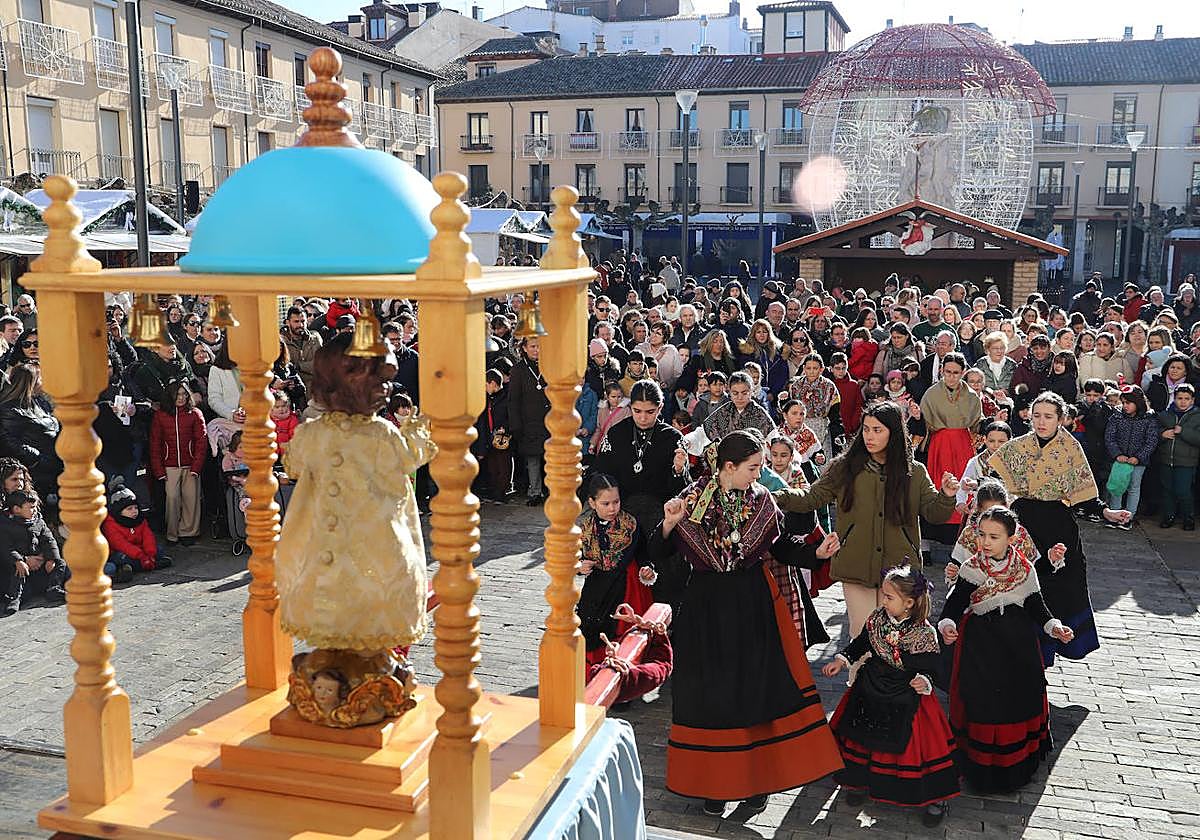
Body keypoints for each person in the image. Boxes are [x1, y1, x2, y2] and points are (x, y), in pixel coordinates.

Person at [654, 430, 843, 815]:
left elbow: (779, 545)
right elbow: (658, 552)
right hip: (705, 607)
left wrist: (815, 552)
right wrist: (669, 525)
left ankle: (758, 781)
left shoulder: (761, 499)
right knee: (710, 695)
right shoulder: (691, 500)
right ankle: (715, 785)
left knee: (755, 692)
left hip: (751, 604)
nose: (758, 475)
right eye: (753, 468)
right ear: (728, 466)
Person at [775, 401, 959, 637]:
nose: (869, 436)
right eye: (866, 429)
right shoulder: (844, 467)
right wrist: (777, 496)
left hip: (900, 570)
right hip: (855, 565)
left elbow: (936, 513)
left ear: (893, 433)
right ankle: (857, 676)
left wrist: (946, 496)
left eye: (877, 430)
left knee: (896, 639)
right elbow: (812, 497)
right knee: (861, 638)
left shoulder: (914, 472)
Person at [986, 392, 1130, 666]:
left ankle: (1047, 652)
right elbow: (993, 481)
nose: (1041, 422)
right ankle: (1015, 651)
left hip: (1058, 526)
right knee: (1017, 584)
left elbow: (1084, 498)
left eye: (1048, 416)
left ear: (1061, 419)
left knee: (1059, 588)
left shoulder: (1070, 448)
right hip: (1021, 522)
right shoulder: (1017, 446)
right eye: (1037, 415)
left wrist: (1107, 512)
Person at [938, 505, 1074, 793]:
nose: (986, 542)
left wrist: (1054, 627)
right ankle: (980, 769)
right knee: (983, 702)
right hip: (981, 646)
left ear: (1011, 538)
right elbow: (955, 601)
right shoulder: (971, 568)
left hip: (1017, 646)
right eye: (983, 535)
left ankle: (1014, 769)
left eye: (994, 536)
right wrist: (948, 623)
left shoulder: (1024, 569)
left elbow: (1036, 606)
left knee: (1016, 700)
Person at [822, 565, 959, 826]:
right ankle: (858, 782)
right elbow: (863, 642)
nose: (882, 600)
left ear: (909, 603)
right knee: (861, 734)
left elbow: (933, 665)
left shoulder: (924, 633)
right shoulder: (877, 618)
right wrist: (843, 660)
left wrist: (924, 679)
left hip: (907, 692)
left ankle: (932, 795)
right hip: (872, 685)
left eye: (888, 597)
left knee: (915, 744)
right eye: (883, 595)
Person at [576, 474, 657, 666]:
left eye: (616, 502)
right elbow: (571, 560)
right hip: (596, 589)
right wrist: (579, 567)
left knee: (625, 639)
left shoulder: (631, 525)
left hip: (627, 589)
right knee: (591, 634)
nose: (612, 508)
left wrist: (647, 569)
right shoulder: (584, 528)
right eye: (605, 503)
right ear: (592, 503)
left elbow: (644, 555)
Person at [592, 380, 688, 532]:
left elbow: (682, 491)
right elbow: (602, 473)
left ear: (660, 408)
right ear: (630, 407)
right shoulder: (616, 433)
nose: (643, 418)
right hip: (619, 515)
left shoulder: (673, 438)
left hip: (660, 520)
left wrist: (679, 470)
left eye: (650, 412)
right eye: (637, 411)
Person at [918, 352, 981, 561]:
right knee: (936, 489)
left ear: (963, 373)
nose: (952, 377)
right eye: (948, 372)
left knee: (964, 490)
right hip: (939, 447)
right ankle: (925, 544)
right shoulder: (931, 394)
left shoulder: (972, 396)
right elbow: (923, 424)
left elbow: (976, 425)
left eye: (956, 373)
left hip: (963, 447)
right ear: (941, 371)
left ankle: (961, 543)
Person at [149, 380, 207, 545]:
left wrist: (196, 466)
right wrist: (159, 470)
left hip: (190, 465)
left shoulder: (195, 414)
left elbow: (201, 442)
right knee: (172, 499)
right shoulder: (161, 415)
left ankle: (188, 533)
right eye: (177, 395)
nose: (180, 398)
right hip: (170, 465)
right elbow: (155, 444)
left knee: (191, 500)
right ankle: (172, 533)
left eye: (183, 394)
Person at [1104, 385, 1158, 520]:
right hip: (1119, 461)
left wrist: (1138, 457)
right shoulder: (1116, 416)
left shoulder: (1148, 418)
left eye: (1128, 403)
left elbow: (1151, 441)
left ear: (1138, 402)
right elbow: (1110, 437)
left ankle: (1129, 517)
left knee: (1134, 487)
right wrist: (1117, 454)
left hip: (1138, 462)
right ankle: (1115, 514)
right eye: (1123, 403)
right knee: (1117, 486)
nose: (1125, 406)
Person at [508, 336, 551, 506]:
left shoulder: (549, 366)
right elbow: (513, 400)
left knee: (550, 458)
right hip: (528, 421)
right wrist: (516, 425)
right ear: (524, 348)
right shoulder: (518, 370)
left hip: (548, 420)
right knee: (533, 459)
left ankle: (550, 490)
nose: (536, 350)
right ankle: (535, 492)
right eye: (533, 346)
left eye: (539, 346)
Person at [100, 483, 170, 581]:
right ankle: (148, 565)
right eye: (129, 509)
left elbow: (148, 536)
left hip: (140, 549)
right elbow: (120, 544)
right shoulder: (110, 523)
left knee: (158, 550)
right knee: (121, 558)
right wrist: (141, 556)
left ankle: (141, 565)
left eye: (136, 508)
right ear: (119, 510)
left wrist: (150, 554)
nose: (134, 511)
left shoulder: (140, 519)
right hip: (122, 552)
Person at [1154, 383, 1199, 530]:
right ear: (1174, 398)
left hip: (1186, 462)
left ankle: (1188, 518)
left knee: (1183, 490)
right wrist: (1163, 435)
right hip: (1166, 460)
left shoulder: (1197, 417)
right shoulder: (1165, 415)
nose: (1183, 401)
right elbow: (1154, 434)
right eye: (1180, 398)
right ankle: (1168, 516)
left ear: (1192, 400)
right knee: (1167, 490)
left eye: (1187, 398)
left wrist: (1183, 431)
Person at [784, 353, 843, 464]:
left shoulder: (829, 386)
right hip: (800, 428)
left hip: (822, 428)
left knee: (822, 463)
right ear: (804, 368)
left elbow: (835, 413)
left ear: (821, 369)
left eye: (815, 368)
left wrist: (837, 432)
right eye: (808, 368)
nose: (811, 371)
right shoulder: (796, 386)